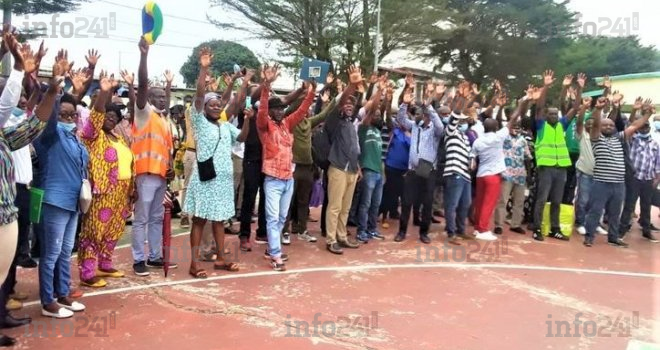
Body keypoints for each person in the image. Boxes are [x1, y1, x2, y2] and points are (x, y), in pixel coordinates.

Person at [0, 33, 55, 344]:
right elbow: (7, 104)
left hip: (6, 216)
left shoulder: (5, 138)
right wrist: (19, 71)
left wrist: (55, 90)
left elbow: (35, 125)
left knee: (1, 277)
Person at [33, 52, 91, 318]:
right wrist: (58, 85)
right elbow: (53, 113)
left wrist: (76, 93)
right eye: (63, 115)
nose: (67, 119)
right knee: (52, 252)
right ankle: (48, 301)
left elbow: (71, 109)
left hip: (72, 203)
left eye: (71, 116)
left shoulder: (76, 140)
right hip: (53, 201)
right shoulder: (50, 135)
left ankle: (63, 294)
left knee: (66, 251)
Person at [185, 47, 251, 278]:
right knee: (200, 220)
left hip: (223, 180)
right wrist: (204, 68)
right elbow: (201, 94)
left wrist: (249, 121)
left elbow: (242, 137)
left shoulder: (225, 125)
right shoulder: (199, 121)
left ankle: (222, 258)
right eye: (211, 103)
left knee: (219, 220)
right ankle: (194, 264)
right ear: (203, 107)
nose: (216, 105)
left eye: (218, 104)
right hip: (206, 179)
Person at [77, 71, 134, 288]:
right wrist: (104, 92)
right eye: (108, 117)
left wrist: (132, 186)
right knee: (93, 231)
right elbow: (97, 114)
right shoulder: (92, 135)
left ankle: (105, 263)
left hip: (122, 191)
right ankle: (87, 272)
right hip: (102, 191)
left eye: (115, 118)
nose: (111, 119)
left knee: (114, 229)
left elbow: (129, 162)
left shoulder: (118, 137)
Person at [257, 64, 316, 270]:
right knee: (273, 218)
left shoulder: (287, 124)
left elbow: (301, 111)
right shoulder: (265, 126)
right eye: (277, 108)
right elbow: (262, 111)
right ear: (271, 111)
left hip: (287, 179)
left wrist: (312, 91)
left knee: (282, 217)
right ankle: (275, 255)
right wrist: (266, 86)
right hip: (272, 180)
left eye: (282, 108)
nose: (281, 111)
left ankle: (272, 248)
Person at [130, 36, 176, 276]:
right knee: (142, 219)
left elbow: (165, 149)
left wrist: (170, 169)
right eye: (157, 97)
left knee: (157, 218)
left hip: (160, 177)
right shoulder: (143, 114)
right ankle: (138, 259)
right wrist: (144, 55)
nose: (162, 99)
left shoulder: (163, 120)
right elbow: (143, 82)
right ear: (147, 99)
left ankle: (155, 256)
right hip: (144, 175)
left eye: (163, 97)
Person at [584, 97, 654, 247]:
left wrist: (648, 114)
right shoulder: (596, 139)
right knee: (596, 211)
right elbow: (595, 124)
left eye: (611, 125)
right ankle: (589, 236)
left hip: (619, 183)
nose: (609, 127)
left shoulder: (619, 138)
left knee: (616, 213)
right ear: (600, 128)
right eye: (606, 125)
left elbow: (635, 125)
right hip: (601, 183)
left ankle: (613, 237)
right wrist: (597, 109)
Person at [393, 88, 444, 244]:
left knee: (427, 203)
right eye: (415, 114)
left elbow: (440, 126)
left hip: (429, 172)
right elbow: (401, 119)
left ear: (426, 115)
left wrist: (429, 106)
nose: (416, 116)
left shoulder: (435, 130)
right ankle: (401, 232)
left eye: (419, 113)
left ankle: (424, 233)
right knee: (407, 202)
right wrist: (404, 103)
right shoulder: (414, 126)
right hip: (413, 171)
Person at [471, 93, 523, 240]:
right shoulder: (499, 137)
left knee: (480, 203)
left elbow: (472, 158)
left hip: (481, 175)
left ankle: (477, 228)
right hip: (493, 176)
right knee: (489, 203)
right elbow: (512, 119)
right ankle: (482, 230)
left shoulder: (478, 141)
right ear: (495, 127)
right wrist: (522, 102)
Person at [324, 65, 363, 254]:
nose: (349, 106)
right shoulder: (335, 121)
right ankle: (331, 239)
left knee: (345, 208)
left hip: (352, 170)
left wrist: (358, 168)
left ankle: (342, 236)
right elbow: (340, 105)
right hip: (338, 168)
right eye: (346, 103)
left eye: (352, 104)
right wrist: (352, 85)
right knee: (335, 206)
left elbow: (355, 149)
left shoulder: (350, 124)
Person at [531, 70, 571, 241]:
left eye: (556, 114)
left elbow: (574, 109)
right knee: (541, 199)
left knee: (557, 201)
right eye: (551, 113)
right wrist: (545, 86)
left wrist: (568, 88)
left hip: (561, 169)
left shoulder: (562, 125)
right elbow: (539, 106)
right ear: (546, 115)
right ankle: (537, 228)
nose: (554, 115)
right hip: (546, 169)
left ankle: (555, 229)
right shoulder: (541, 126)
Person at [619, 98, 660, 243]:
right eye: (642, 126)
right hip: (634, 178)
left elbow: (657, 164)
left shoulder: (654, 144)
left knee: (646, 205)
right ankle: (622, 230)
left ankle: (646, 230)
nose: (644, 128)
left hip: (648, 179)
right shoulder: (633, 140)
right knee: (629, 205)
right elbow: (631, 126)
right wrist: (641, 113)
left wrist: (656, 179)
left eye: (647, 126)